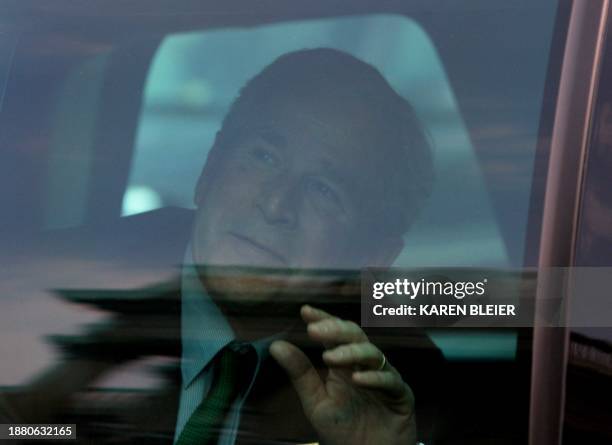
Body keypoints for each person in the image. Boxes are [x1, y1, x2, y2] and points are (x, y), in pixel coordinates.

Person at [175, 48, 435, 445]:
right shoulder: (65, 286)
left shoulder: (408, 391)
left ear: (370, 260)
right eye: (264, 156)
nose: (276, 204)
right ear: (209, 169)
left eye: (324, 190)